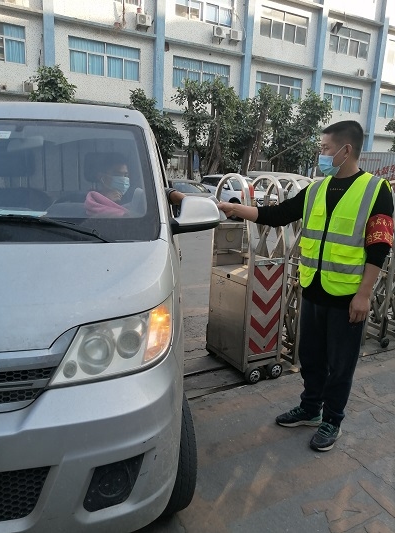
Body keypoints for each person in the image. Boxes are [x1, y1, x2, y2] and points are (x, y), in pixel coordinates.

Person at [218, 120, 394, 452]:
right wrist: (235, 208)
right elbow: (278, 214)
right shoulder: (316, 189)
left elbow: (379, 246)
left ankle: (332, 420)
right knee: (311, 357)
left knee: (340, 365)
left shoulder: (376, 190)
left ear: (346, 150)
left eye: (326, 149)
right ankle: (311, 409)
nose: (321, 155)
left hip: (347, 296)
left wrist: (364, 294)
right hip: (313, 288)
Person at [85, 153, 185, 216]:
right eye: (117, 174)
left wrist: (182, 199)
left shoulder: (134, 195)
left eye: (126, 175)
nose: (123, 179)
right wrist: (106, 201)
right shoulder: (91, 200)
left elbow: (156, 194)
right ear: (102, 177)